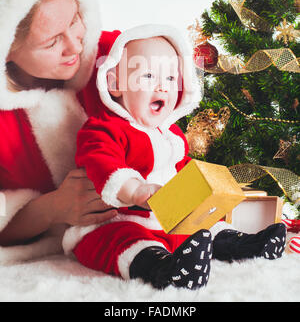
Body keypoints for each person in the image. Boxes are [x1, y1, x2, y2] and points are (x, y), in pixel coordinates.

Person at [62, 25, 287, 290]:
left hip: (169, 221)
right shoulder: (105, 128)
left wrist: (207, 187)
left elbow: (182, 168)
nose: (163, 87)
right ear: (114, 84)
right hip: (120, 220)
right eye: (147, 76)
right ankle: (162, 268)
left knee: (203, 226)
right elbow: (101, 161)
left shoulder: (171, 136)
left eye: (171, 79)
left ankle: (242, 246)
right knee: (125, 239)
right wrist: (136, 191)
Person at [0, 0, 117, 264]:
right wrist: (54, 207)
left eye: (76, 20)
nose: (76, 45)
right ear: (5, 50)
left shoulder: (113, 57)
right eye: (51, 42)